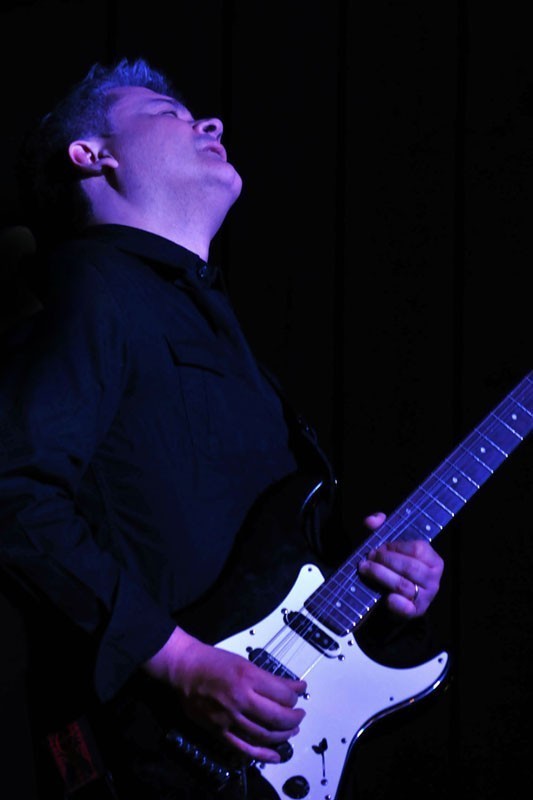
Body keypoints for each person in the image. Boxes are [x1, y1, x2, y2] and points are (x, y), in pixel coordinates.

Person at [0, 58, 445, 800]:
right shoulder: (91, 284)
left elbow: (273, 575)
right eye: (166, 112)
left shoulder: (218, 331)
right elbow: (12, 492)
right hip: (145, 757)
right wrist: (179, 661)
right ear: (92, 155)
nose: (209, 122)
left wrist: (387, 592)